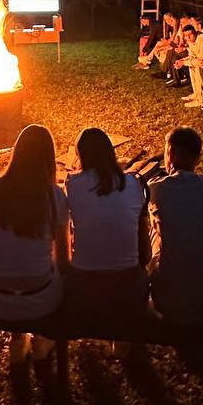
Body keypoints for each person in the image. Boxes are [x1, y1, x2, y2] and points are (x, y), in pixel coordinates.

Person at [0, 124, 70, 366]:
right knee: (49, 270)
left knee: (13, 264)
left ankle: (17, 340)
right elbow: (63, 261)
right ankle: (41, 339)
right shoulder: (55, 196)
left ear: (16, 152)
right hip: (41, 297)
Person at [63, 128, 149, 344]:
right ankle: (123, 343)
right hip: (128, 285)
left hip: (84, 287)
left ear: (80, 156)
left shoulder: (72, 184)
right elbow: (143, 244)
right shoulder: (133, 183)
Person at [147, 127, 203, 330]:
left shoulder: (156, 189)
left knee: (154, 228)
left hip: (172, 302)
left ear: (169, 154)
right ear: (197, 158)